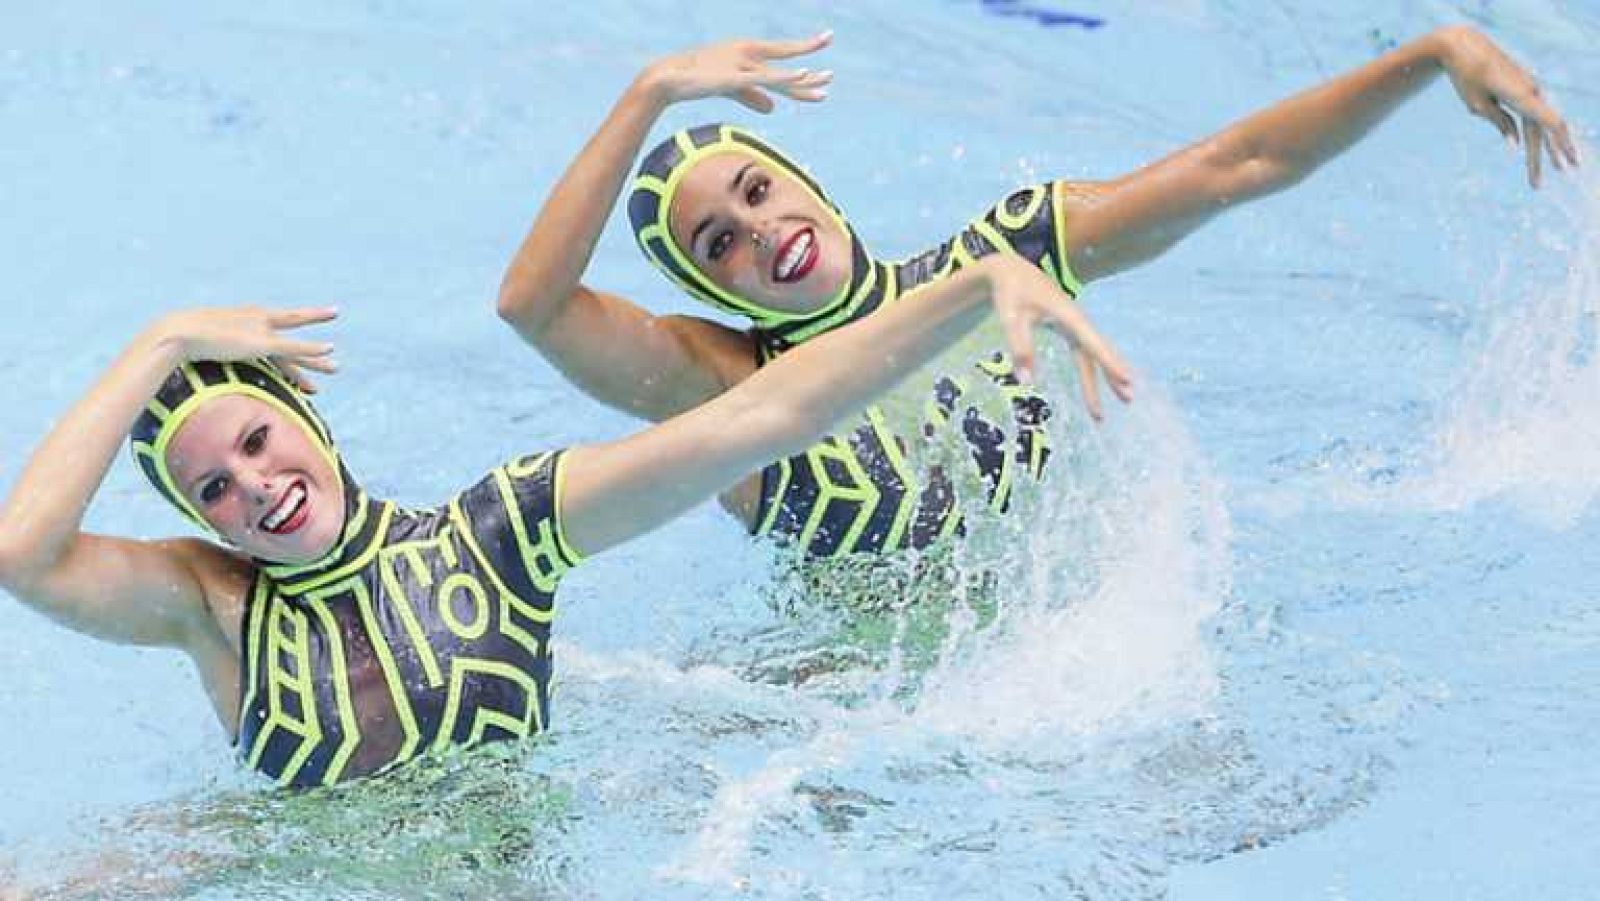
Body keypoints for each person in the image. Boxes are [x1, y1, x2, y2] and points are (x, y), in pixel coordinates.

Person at [0, 239, 1130, 787]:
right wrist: (159, 343)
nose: (252, 485)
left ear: (309, 416)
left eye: (255, 440)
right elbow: (22, 553)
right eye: (211, 488)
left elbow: (752, 421)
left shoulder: (497, 533)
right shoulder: (211, 607)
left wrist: (968, 288)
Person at [498, 27, 1578, 560]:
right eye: (716, 242)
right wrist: (648, 93)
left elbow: (1235, 164)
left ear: (806, 183)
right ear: (702, 284)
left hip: (1077, 641)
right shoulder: (724, 386)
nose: (761, 233)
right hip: (846, 705)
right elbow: (532, 307)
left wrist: (1433, 53)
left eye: (759, 190)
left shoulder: (1009, 254)